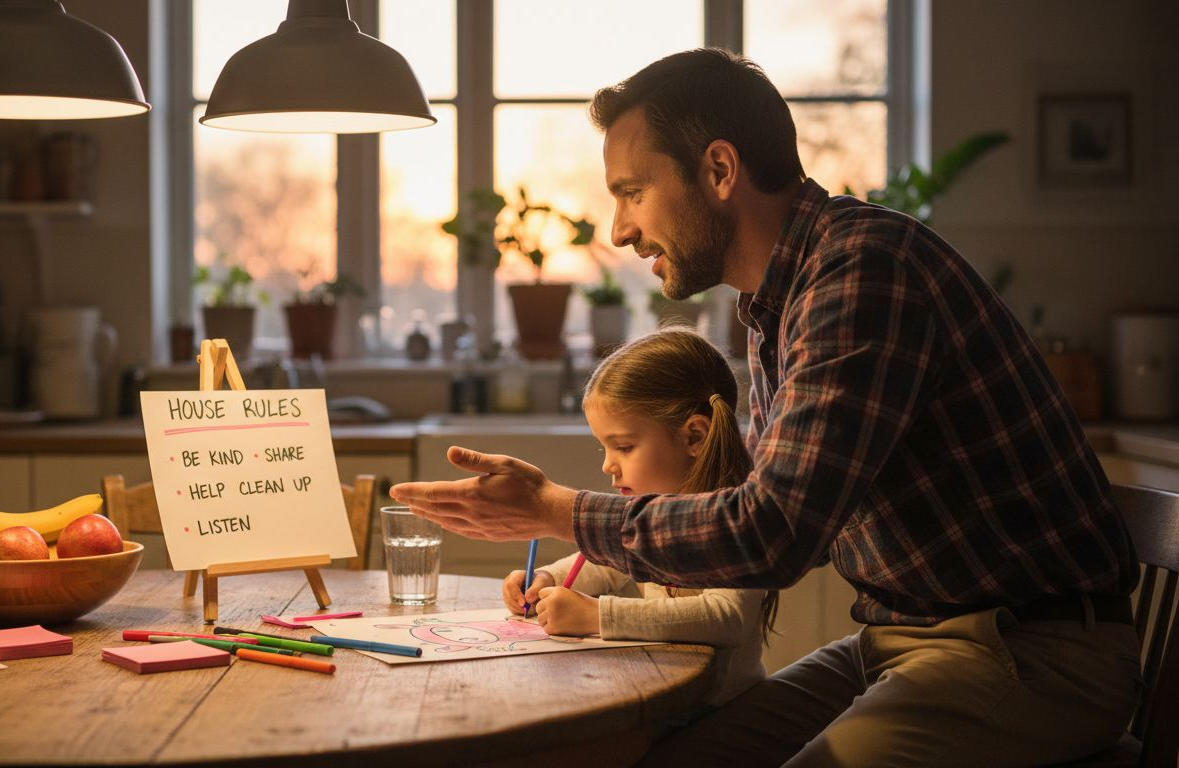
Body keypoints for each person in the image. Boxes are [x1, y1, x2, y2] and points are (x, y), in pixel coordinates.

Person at [392, 47, 1140, 767]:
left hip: (1026, 656)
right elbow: (780, 526)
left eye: (632, 192)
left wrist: (559, 509)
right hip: (901, 645)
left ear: (718, 170)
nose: (620, 229)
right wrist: (583, 561)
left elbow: (775, 533)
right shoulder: (778, 304)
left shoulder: (861, 273)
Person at [505, 328, 776, 713]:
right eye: (605, 446)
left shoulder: (733, 517)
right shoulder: (652, 514)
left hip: (725, 717)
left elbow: (725, 617)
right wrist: (544, 578)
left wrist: (596, 616)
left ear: (694, 437)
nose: (607, 465)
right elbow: (607, 567)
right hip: (669, 709)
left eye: (624, 447)